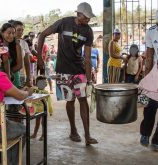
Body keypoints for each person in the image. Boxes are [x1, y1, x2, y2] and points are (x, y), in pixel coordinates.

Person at [36, 2, 98, 145]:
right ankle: (73, 130)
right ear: (78, 14)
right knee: (70, 101)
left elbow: (87, 58)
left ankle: (88, 135)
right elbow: (42, 35)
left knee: (83, 100)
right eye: (86, 17)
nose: (88, 20)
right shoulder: (64, 23)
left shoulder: (88, 31)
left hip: (79, 69)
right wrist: (39, 57)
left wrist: (88, 79)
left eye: (89, 18)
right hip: (63, 69)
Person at [139, 13, 158, 151]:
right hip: (156, 73)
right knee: (150, 107)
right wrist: (146, 79)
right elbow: (150, 56)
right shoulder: (151, 31)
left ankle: (156, 140)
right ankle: (145, 133)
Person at [0, 23, 23, 88]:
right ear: (2, 33)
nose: (11, 35)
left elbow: (20, 65)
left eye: (13, 33)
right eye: (9, 33)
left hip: (14, 78)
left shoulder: (17, 46)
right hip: (0, 80)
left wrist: (8, 74)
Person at [30, 76, 53, 141]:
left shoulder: (46, 93)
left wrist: (51, 111)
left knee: (43, 123)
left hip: (44, 110)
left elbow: (49, 103)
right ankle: (35, 134)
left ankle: (43, 135)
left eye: (43, 83)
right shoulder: (34, 90)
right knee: (37, 123)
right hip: (36, 110)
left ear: (46, 84)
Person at [11, 20, 32, 87]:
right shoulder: (8, 43)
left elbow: (27, 62)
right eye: (19, 30)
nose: (21, 32)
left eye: (22, 30)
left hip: (22, 75)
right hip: (10, 75)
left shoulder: (24, 43)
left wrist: (28, 77)